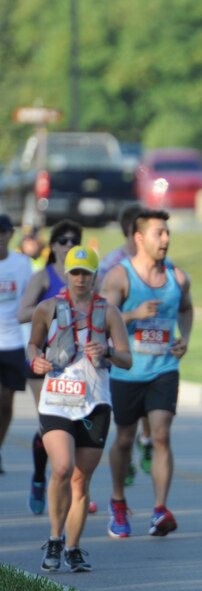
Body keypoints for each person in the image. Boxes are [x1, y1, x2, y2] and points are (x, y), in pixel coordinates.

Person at [29, 246, 132, 572]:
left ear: (94, 276)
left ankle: (72, 547)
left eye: (86, 273)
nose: (80, 279)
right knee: (61, 467)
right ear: (66, 274)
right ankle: (55, 537)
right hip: (57, 399)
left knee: (80, 480)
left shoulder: (109, 312)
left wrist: (109, 352)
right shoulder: (48, 308)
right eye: (75, 272)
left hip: (95, 403)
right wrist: (36, 360)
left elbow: (127, 359)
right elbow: (33, 344)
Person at [100, 209, 193, 538]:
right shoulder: (119, 277)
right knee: (124, 439)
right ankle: (118, 501)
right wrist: (133, 313)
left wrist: (185, 338)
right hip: (128, 370)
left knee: (162, 435)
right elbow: (103, 321)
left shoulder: (177, 278)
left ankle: (159, 509)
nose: (166, 239)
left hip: (164, 368)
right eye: (159, 233)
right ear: (139, 238)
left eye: (167, 232)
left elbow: (186, 308)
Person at [17, 219, 83, 514]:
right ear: (53, 245)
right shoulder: (43, 278)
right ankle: (39, 479)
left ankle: (76, 487)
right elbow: (22, 314)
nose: (69, 245)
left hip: (75, 364)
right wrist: (53, 307)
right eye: (64, 240)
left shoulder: (84, 278)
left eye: (74, 241)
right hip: (42, 359)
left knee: (77, 423)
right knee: (49, 422)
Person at [96, 203, 154, 482]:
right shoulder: (111, 264)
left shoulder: (155, 261)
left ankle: (146, 440)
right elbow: (103, 313)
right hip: (122, 352)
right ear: (134, 231)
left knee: (153, 413)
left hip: (153, 348)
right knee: (126, 419)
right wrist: (134, 314)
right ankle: (127, 454)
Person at [0, 213, 33, 476]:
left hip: (13, 342)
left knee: (6, 403)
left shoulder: (22, 264)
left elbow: (29, 301)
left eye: (3, 232)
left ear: (10, 235)